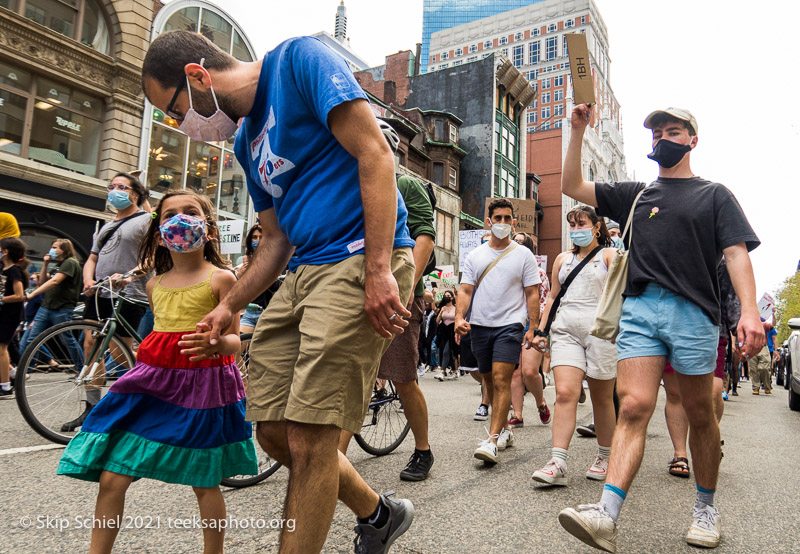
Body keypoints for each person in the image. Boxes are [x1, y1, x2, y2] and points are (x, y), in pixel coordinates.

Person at [142, 31, 417, 553]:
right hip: (305, 269)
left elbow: (376, 155)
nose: (182, 127)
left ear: (198, 77)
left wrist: (380, 268)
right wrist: (229, 304)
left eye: (176, 111)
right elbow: (274, 241)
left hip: (358, 255)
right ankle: (377, 514)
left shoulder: (297, 60)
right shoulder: (246, 143)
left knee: (313, 435)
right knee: (270, 428)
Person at [557, 105, 763, 551]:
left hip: (695, 313)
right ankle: (605, 515)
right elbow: (572, 185)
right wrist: (575, 131)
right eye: (656, 133)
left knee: (700, 414)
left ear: (692, 140)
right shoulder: (635, 194)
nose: (662, 138)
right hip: (640, 310)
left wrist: (748, 310)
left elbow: (735, 254)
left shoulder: (715, 195)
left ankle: (705, 509)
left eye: (673, 131)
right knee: (633, 406)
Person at [57, 190, 258, 553]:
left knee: (204, 480)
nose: (180, 220)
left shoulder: (222, 279)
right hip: (153, 384)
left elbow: (235, 341)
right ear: (159, 230)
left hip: (203, 388)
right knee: (112, 477)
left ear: (208, 228)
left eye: (191, 212)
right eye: (170, 215)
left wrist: (216, 344)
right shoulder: (153, 284)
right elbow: (158, 331)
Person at [339, 168, 436, 483]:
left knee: (404, 379)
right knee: (353, 376)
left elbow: (425, 236)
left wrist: (406, 287)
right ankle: (333, 460)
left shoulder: (404, 183)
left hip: (398, 293)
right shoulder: (345, 182)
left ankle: (423, 450)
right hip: (356, 290)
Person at [531, 206, 617, 485]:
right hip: (566, 328)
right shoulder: (562, 259)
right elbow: (553, 297)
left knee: (601, 397)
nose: (576, 229)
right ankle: (557, 461)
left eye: (582, 223)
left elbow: (619, 292)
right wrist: (542, 330)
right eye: (572, 224)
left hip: (600, 331)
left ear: (596, 227)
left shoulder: (609, 255)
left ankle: (605, 456)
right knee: (566, 393)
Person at [63, 173, 151, 432]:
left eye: (122, 187)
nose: (115, 191)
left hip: (129, 293)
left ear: (135, 194)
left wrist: (129, 276)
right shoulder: (105, 225)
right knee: (91, 345)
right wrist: (88, 281)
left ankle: (154, 380)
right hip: (100, 293)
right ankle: (92, 409)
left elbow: (154, 257)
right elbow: (92, 258)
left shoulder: (146, 221)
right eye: (111, 186)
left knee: (118, 351)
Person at [455, 198, 540, 464]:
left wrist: (533, 326)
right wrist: (459, 317)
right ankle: (504, 428)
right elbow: (466, 289)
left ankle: (491, 441)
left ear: (514, 222)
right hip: (480, 325)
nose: (503, 223)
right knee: (488, 381)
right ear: (488, 222)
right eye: (498, 218)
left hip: (510, 325)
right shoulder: (475, 255)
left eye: (507, 218)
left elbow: (532, 292)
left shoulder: (523, 254)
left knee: (503, 380)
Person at [664, 258, 739, 478]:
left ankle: (709, 436)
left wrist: (739, 328)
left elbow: (731, 297)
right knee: (675, 393)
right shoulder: (671, 249)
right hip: (672, 327)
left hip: (713, 329)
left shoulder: (721, 261)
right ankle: (680, 454)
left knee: (714, 391)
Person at [508, 232, 551, 428]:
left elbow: (545, 301)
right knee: (515, 372)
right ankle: (517, 414)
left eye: (520, 242)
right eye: (514, 241)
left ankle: (540, 403)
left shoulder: (539, 273)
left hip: (532, 324)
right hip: (511, 323)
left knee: (530, 371)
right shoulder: (507, 269)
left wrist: (536, 326)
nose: (515, 244)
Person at [20, 239, 83, 365]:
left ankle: (82, 368)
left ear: (63, 250)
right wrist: (45, 264)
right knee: (32, 339)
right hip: (47, 306)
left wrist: (32, 294)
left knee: (66, 340)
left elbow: (55, 281)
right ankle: (26, 370)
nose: (52, 250)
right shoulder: (59, 264)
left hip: (62, 308)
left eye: (55, 247)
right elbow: (42, 281)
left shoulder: (70, 262)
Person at [237, 224, 281, 334]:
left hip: (269, 313)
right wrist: (240, 276)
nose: (257, 240)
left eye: (261, 237)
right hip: (250, 312)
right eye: (254, 237)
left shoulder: (278, 258)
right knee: (239, 345)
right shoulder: (246, 259)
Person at [0, 237, 28, 397]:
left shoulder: (14, 271)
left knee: (2, 348)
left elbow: (19, 295)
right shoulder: (3, 269)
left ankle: (4, 387)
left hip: (11, 314)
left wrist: (2, 299)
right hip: (3, 312)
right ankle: (15, 375)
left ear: (5, 251)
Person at [435, 290, 458, 380]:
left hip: (452, 331)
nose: (446, 297)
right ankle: (455, 371)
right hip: (443, 332)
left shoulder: (456, 307)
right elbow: (437, 321)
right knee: (446, 351)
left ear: (452, 297)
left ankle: (442, 371)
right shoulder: (443, 308)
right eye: (445, 295)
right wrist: (441, 312)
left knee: (447, 351)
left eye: (448, 295)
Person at [749, 320, 773, 395]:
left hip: (763, 347)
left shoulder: (763, 324)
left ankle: (767, 385)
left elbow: (772, 326)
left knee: (764, 368)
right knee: (753, 369)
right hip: (751, 347)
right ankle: (756, 388)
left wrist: (772, 314)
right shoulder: (747, 323)